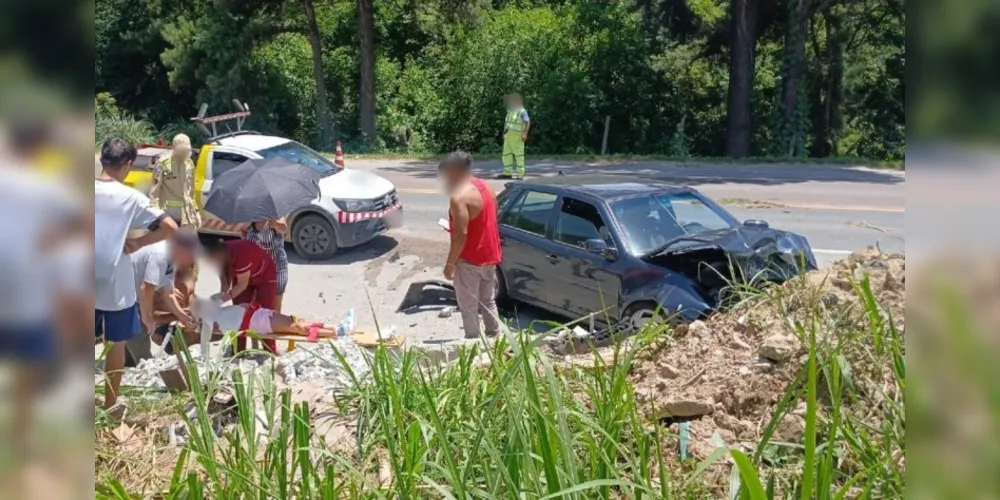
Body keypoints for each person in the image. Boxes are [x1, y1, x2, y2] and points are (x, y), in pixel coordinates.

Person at [95, 136, 178, 412]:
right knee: (114, 343)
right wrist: (140, 243)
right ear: (128, 164)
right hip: (113, 283)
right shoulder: (131, 198)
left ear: (102, 159)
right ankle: (110, 405)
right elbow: (170, 228)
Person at [439, 151, 503, 338]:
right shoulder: (486, 186)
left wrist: (450, 265)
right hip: (490, 255)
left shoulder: (459, 197)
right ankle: (495, 337)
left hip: (470, 259)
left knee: (468, 304)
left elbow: (461, 234)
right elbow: (491, 215)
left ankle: (473, 341)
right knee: (488, 300)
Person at [203, 238, 279, 354]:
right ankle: (238, 350)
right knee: (238, 314)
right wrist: (219, 298)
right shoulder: (219, 258)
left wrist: (222, 299)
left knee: (265, 315)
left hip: (265, 275)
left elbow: (242, 285)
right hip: (243, 279)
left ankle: (269, 350)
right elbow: (225, 283)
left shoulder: (241, 252)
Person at [150, 134, 201, 283]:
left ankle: (187, 290)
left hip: (187, 217)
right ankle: (164, 291)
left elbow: (190, 191)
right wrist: (156, 215)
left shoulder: (190, 163)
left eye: (187, 151)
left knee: (191, 256)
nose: (185, 154)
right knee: (166, 257)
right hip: (169, 216)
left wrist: (196, 210)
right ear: (174, 148)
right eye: (182, 151)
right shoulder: (163, 163)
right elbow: (154, 192)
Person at [243, 218, 289, 312]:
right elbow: (243, 231)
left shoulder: (275, 216)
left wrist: (275, 223)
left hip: (277, 268)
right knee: (257, 305)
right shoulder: (251, 219)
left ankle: (275, 325)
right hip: (258, 270)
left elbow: (284, 228)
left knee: (275, 306)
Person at [500, 93, 531, 180]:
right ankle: (507, 172)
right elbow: (508, 124)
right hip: (508, 137)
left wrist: (525, 133)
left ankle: (520, 174)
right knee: (506, 155)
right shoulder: (510, 111)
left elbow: (527, 122)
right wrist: (504, 133)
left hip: (517, 137)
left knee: (519, 156)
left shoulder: (522, 111)